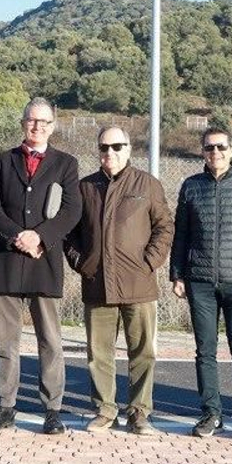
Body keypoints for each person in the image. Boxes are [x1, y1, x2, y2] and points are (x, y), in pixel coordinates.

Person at [0, 97, 83, 435]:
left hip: (44, 261)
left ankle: (52, 409)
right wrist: (15, 236)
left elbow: (71, 211)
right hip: (7, 260)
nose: (37, 126)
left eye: (44, 122)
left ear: (53, 126)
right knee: (4, 342)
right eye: (31, 120)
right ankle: (5, 407)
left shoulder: (66, 164)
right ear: (23, 123)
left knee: (50, 341)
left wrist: (39, 237)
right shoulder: (2, 160)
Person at [67, 126, 174, 436]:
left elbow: (164, 227)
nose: (109, 153)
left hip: (138, 285)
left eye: (116, 147)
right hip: (97, 284)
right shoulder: (85, 187)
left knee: (142, 352)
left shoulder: (147, 185)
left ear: (128, 149)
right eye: (104, 147)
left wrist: (149, 262)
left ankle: (139, 413)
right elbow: (69, 233)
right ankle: (104, 410)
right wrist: (80, 262)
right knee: (98, 352)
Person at [171, 127, 232, 439]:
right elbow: (181, 234)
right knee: (205, 351)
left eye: (221, 147)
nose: (215, 153)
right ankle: (211, 413)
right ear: (202, 151)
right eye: (209, 148)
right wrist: (177, 274)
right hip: (199, 282)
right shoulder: (190, 187)